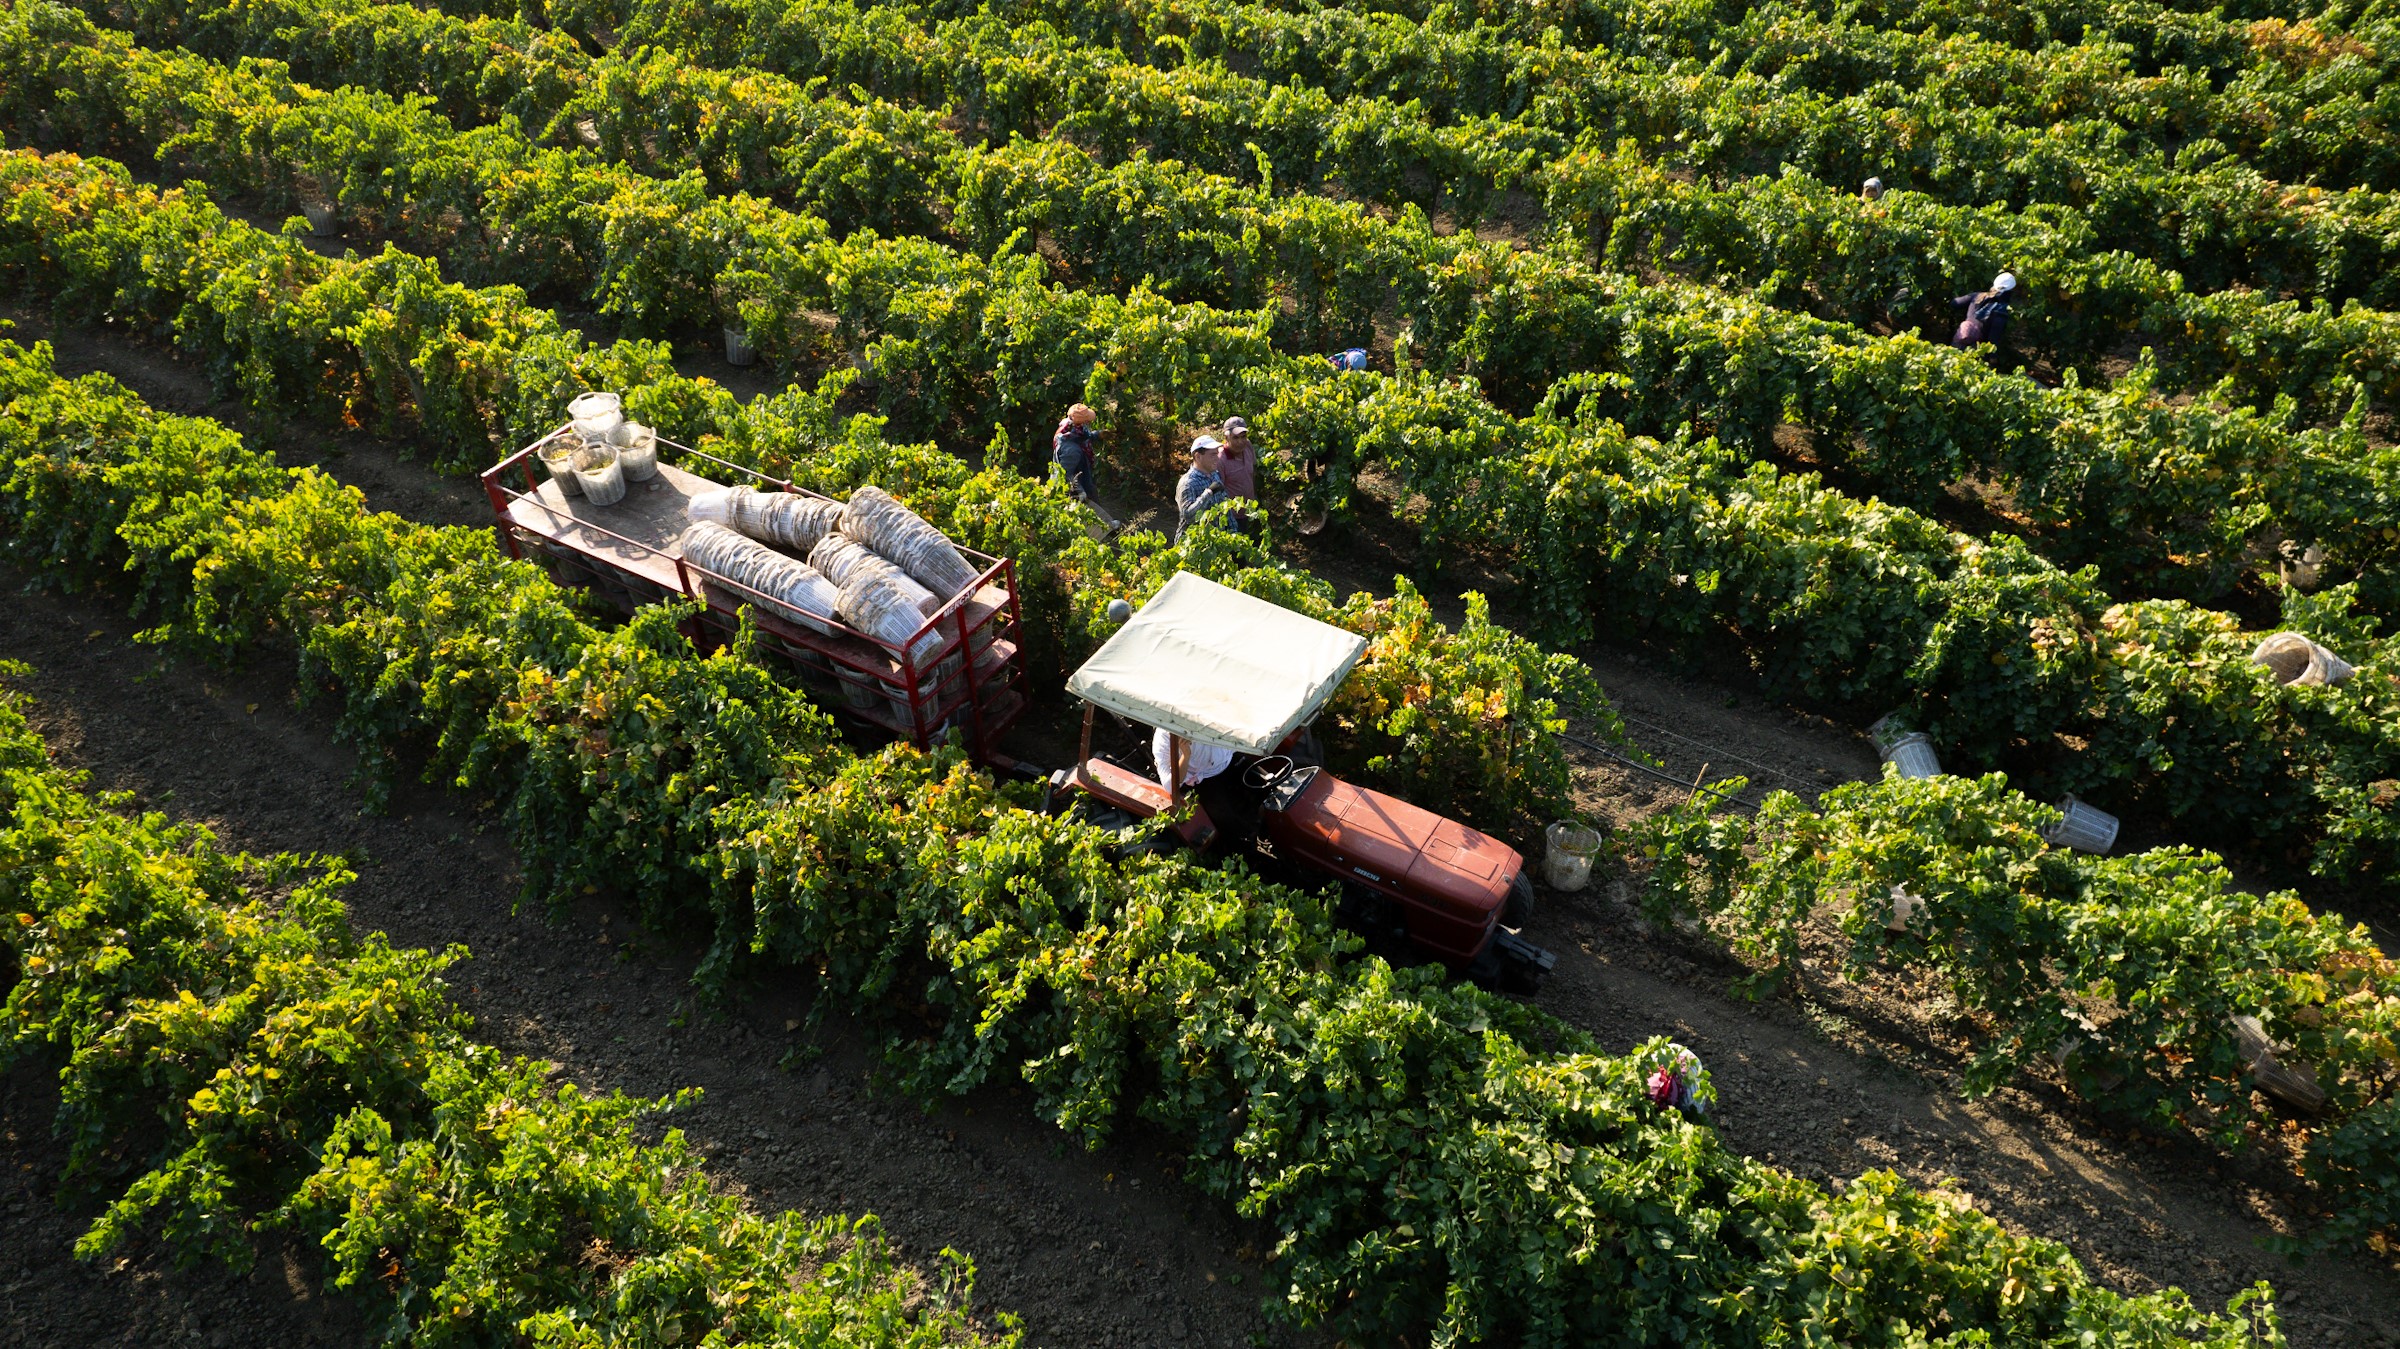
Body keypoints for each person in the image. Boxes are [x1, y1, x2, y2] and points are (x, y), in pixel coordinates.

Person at [1174, 434, 1229, 543]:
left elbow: (1225, 505)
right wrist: (1208, 493)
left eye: (1217, 454)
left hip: (1214, 543)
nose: (1217, 458)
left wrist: (1233, 532)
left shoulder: (1215, 475)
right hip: (1191, 545)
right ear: (1198, 456)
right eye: (1213, 455)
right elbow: (1189, 516)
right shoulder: (1187, 483)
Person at [1152, 727, 1234, 793]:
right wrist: (1185, 755)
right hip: (1208, 778)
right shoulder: (1162, 743)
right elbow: (1170, 787)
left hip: (1228, 756)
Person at [1951, 272, 2017, 351]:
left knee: (1953, 357)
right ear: (2010, 292)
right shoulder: (2001, 311)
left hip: (1961, 335)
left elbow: (1954, 304)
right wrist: (1993, 359)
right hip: (1975, 346)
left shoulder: (1977, 296)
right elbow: (1993, 339)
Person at [1052, 403, 1099, 501]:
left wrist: (1098, 434)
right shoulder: (1072, 451)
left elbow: (1084, 437)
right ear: (1083, 422)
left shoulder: (1069, 430)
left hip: (1080, 479)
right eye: (1087, 421)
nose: (1089, 423)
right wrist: (1081, 492)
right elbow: (1064, 475)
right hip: (1070, 491)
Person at [1216, 417, 1258, 502]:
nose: (1240, 441)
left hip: (1251, 510)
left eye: (1243, 437)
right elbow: (1218, 491)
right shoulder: (1221, 460)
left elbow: (1252, 474)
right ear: (1227, 438)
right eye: (1235, 438)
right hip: (1233, 514)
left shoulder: (1248, 446)